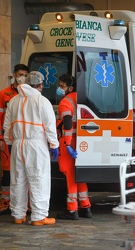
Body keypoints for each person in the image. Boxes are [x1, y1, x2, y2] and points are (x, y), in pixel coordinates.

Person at [3, 71, 59, 226]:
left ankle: (18, 215)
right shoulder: (42, 101)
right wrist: (54, 145)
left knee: (18, 180)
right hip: (36, 145)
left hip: (17, 145)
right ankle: (39, 217)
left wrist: (9, 142)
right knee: (39, 179)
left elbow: (7, 124)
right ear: (40, 85)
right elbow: (49, 127)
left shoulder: (14, 101)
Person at [0, 64, 29, 216]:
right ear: (13, 75)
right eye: (20, 74)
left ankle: (27, 204)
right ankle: (5, 203)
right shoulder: (4, 94)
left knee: (26, 172)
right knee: (7, 172)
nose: (22, 78)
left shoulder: (28, 94)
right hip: (7, 140)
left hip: (25, 140)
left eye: (25, 75)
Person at [56, 74, 92, 220]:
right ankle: (86, 206)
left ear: (70, 87)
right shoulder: (82, 98)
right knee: (80, 175)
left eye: (62, 86)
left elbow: (68, 123)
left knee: (70, 175)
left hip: (69, 143)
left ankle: (72, 210)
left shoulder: (65, 102)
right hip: (82, 142)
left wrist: (68, 144)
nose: (59, 88)